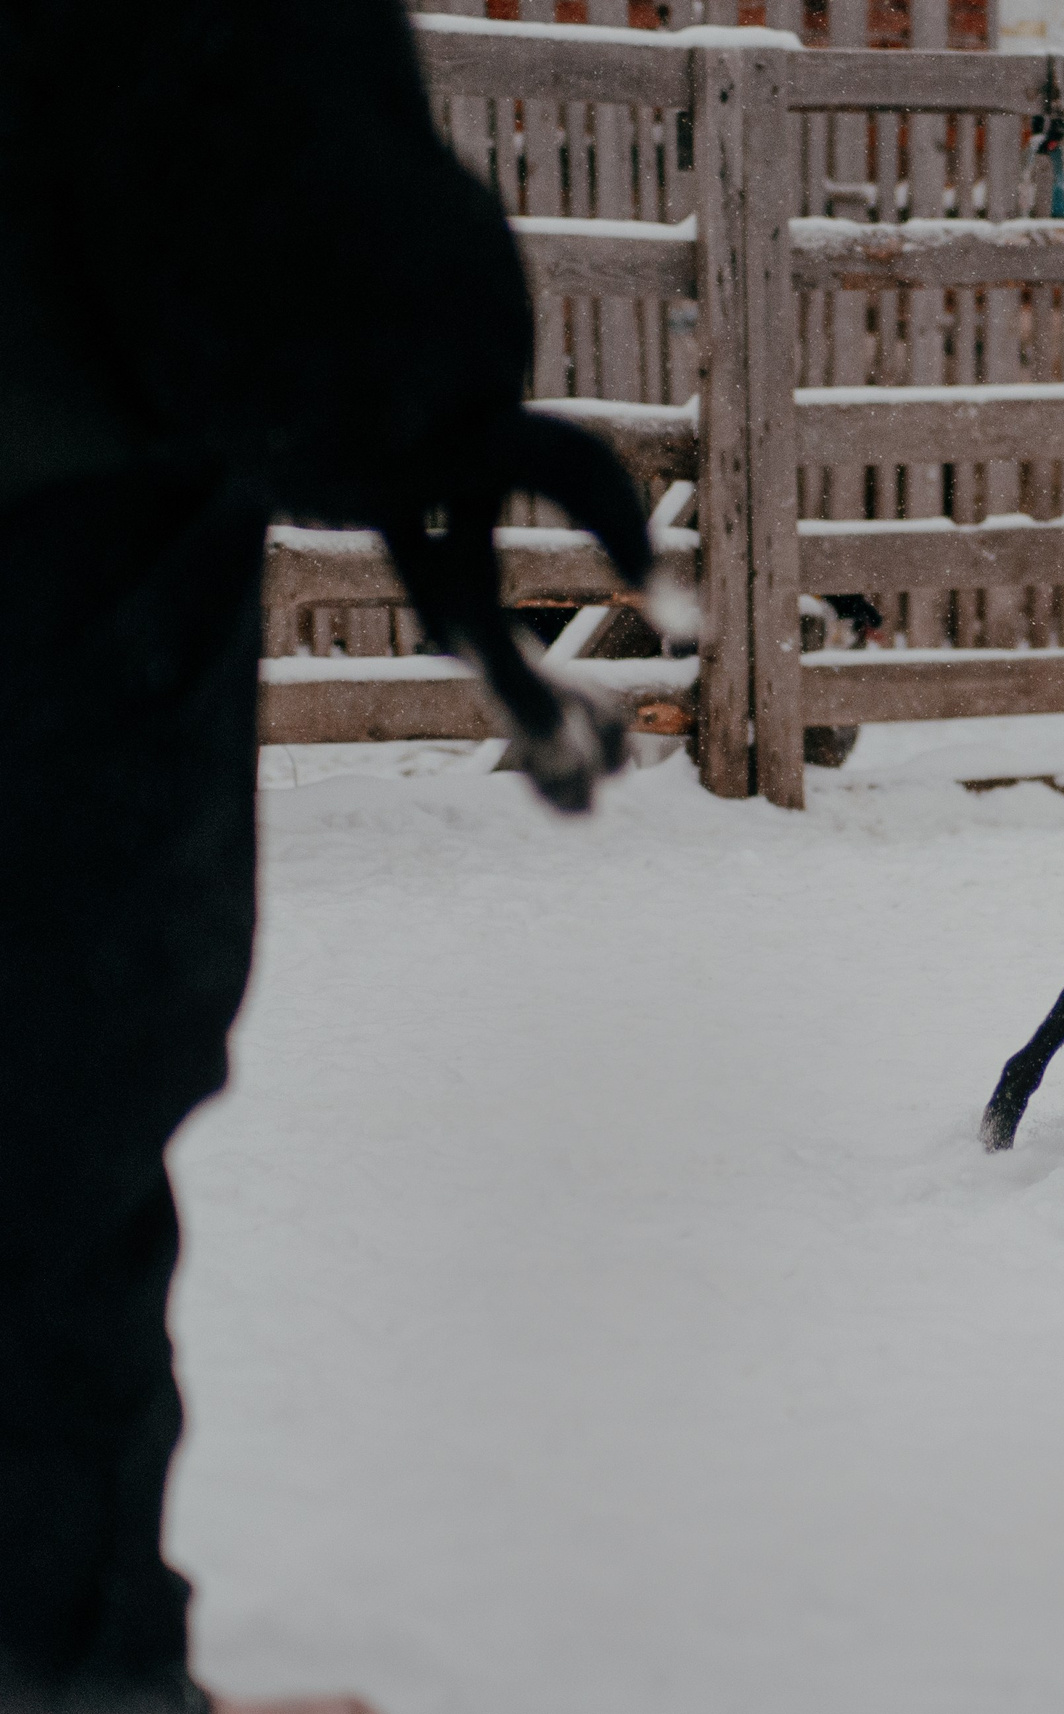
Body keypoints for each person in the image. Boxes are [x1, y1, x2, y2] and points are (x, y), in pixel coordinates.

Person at [0, 3, 647, 1709]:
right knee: (46, 1108)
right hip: (61, 510)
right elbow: (275, 193)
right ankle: (58, 1665)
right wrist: (418, 350)